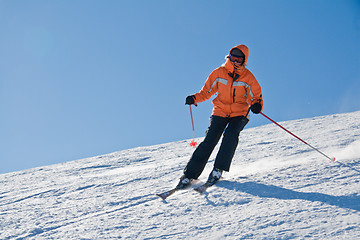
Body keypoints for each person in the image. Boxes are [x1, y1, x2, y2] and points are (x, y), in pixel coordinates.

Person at [176, 44, 263, 189]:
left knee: (230, 134)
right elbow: (206, 92)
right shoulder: (219, 73)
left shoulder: (248, 77)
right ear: (229, 57)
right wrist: (194, 98)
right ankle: (189, 175)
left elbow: (256, 95)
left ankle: (218, 170)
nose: (235, 61)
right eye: (233, 58)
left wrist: (257, 105)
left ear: (244, 60)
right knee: (210, 140)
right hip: (220, 111)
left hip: (240, 113)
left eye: (239, 59)